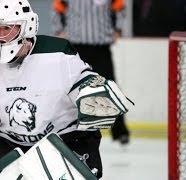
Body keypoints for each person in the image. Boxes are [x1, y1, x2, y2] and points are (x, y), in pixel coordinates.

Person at [0, 0, 132, 179]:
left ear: (26, 27)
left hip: (68, 141)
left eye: (7, 28)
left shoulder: (58, 55)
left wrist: (91, 92)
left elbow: (86, 86)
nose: (0, 35)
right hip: (13, 144)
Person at [52, 0, 130, 144]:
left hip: (101, 47)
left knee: (110, 88)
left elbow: (120, 8)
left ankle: (120, 131)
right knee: (71, 90)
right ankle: (67, 129)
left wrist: (118, 29)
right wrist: (59, 30)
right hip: (77, 47)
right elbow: (58, 8)